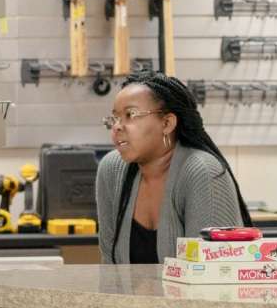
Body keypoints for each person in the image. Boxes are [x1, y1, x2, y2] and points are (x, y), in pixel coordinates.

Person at [94, 72, 248, 264]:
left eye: (130, 115)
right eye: (114, 118)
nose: (117, 127)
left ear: (167, 123)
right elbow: (110, 267)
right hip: (132, 296)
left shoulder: (202, 172)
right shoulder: (111, 169)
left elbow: (213, 272)